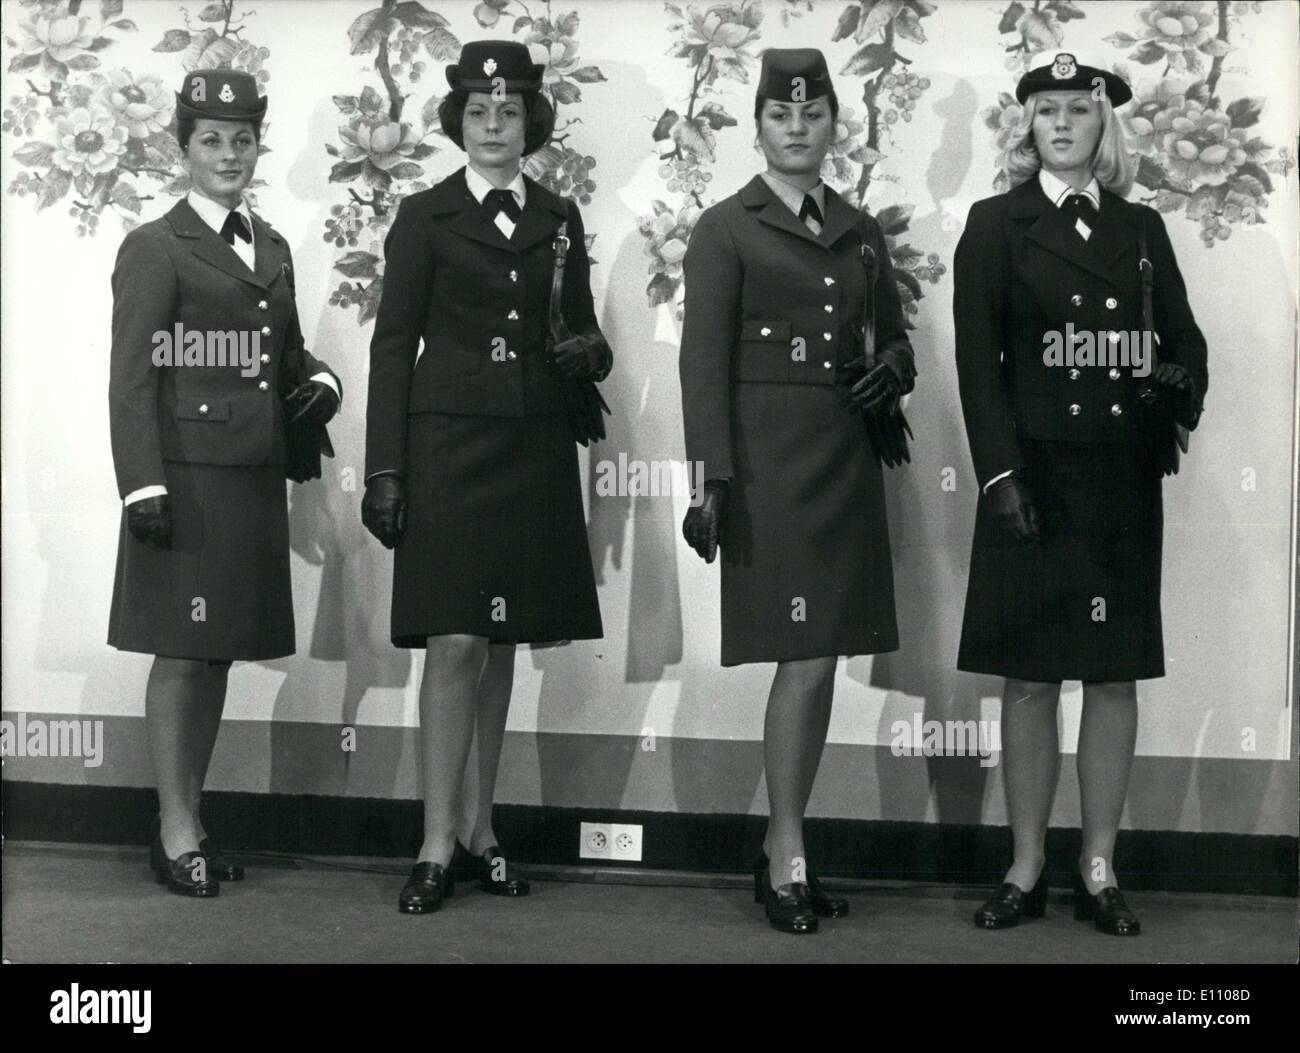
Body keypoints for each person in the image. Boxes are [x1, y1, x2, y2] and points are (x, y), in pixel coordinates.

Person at [955, 52, 1207, 936]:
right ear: (1027, 127)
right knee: (1029, 678)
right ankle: (1025, 865)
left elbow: (1185, 340)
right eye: (1046, 111)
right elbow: (977, 370)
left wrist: (1175, 382)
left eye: (1077, 110)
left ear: (1104, 125)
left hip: (1117, 479)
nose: (1061, 123)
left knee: (1112, 676)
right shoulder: (995, 224)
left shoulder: (1141, 229)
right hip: (1034, 481)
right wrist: (998, 476)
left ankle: (1100, 866)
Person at [361, 40, 612, 915]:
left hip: (533, 445)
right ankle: (434, 839)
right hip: (448, 447)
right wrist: (385, 468)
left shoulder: (560, 214)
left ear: (531, 122)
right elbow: (392, 348)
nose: (495, 124)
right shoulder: (424, 216)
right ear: (458, 120)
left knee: (501, 641)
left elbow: (574, 326)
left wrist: (595, 349)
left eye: (509, 112)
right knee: (454, 639)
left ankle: (482, 828)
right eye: (478, 111)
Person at [679, 48, 916, 934]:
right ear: (759, 126)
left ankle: (788, 846)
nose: (798, 128)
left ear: (832, 126)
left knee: (821, 661)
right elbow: (700, 365)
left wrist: (892, 364)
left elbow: (895, 339)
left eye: (813, 116)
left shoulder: (859, 230)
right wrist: (711, 480)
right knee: (805, 656)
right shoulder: (724, 227)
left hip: (843, 462)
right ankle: (784, 850)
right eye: (783, 115)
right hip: (768, 466)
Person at [108, 69, 340, 896]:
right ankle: (173, 830)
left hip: (249, 482)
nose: (228, 153)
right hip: (185, 481)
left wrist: (323, 386)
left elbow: (288, 356)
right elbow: (132, 378)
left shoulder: (268, 244)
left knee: (218, 658)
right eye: (211, 138)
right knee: (182, 653)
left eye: (242, 139)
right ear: (184, 147)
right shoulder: (156, 244)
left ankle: (192, 818)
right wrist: (142, 487)